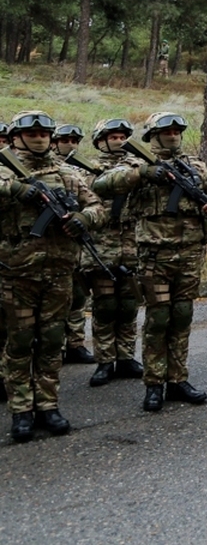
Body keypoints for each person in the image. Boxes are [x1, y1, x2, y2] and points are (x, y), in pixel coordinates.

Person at [94, 112, 207, 412]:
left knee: (181, 316)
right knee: (158, 319)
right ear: (153, 136)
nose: (172, 135)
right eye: (166, 131)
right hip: (155, 254)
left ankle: (178, 378)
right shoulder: (135, 162)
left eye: (176, 130)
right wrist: (143, 173)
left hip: (191, 252)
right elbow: (103, 184)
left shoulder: (193, 164)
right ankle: (154, 383)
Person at [1, 111, 105, 442]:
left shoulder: (67, 173)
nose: (39, 137)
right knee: (18, 344)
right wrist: (16, 189)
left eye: (44, 133)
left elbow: (98, 206)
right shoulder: (4, 170)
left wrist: (82, 219)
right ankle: (21, 410)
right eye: (31, 132)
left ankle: (48, 405)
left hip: (59, 273)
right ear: (16, 137)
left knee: (51, 343)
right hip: (16, 273)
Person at [84, 119, 144, 388]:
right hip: (102, 246)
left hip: (133, 244)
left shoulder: (139, 165)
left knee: (129, 304)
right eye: (113, 137)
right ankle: (105, 360)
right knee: (106, 306)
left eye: (123, 136)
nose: (119, 141)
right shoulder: (86, 169)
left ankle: (126, 356)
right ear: (100, 141)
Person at [52, 123, 96, 365]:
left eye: (75, 140)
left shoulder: (81, 168)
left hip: (77, 239)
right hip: (50, 242)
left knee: (78, 295)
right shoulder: (45, 169)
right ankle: (56, 346)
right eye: (65, 140)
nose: (71, 144)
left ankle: (76, 344)